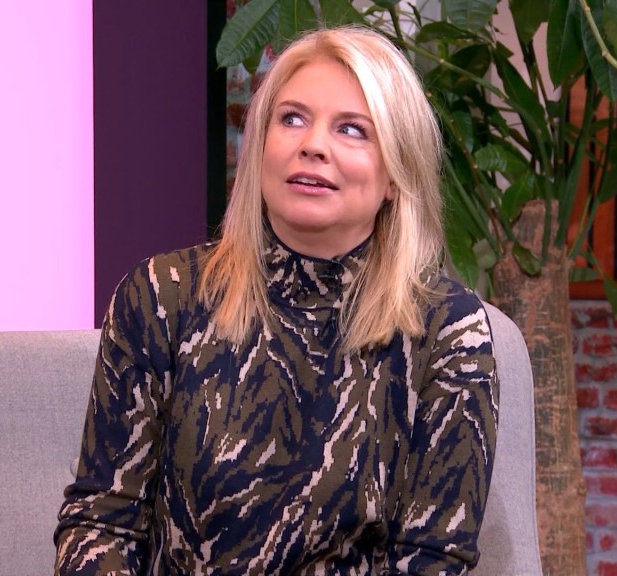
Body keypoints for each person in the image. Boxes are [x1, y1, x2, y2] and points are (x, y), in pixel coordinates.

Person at [55, 26, 498, 575]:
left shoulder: (448, 329)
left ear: (394, 174)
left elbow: (434, 558)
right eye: (292, 119)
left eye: (352, 129)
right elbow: (101, 524)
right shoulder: (161, 295)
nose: (313, 144)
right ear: (260, 146)